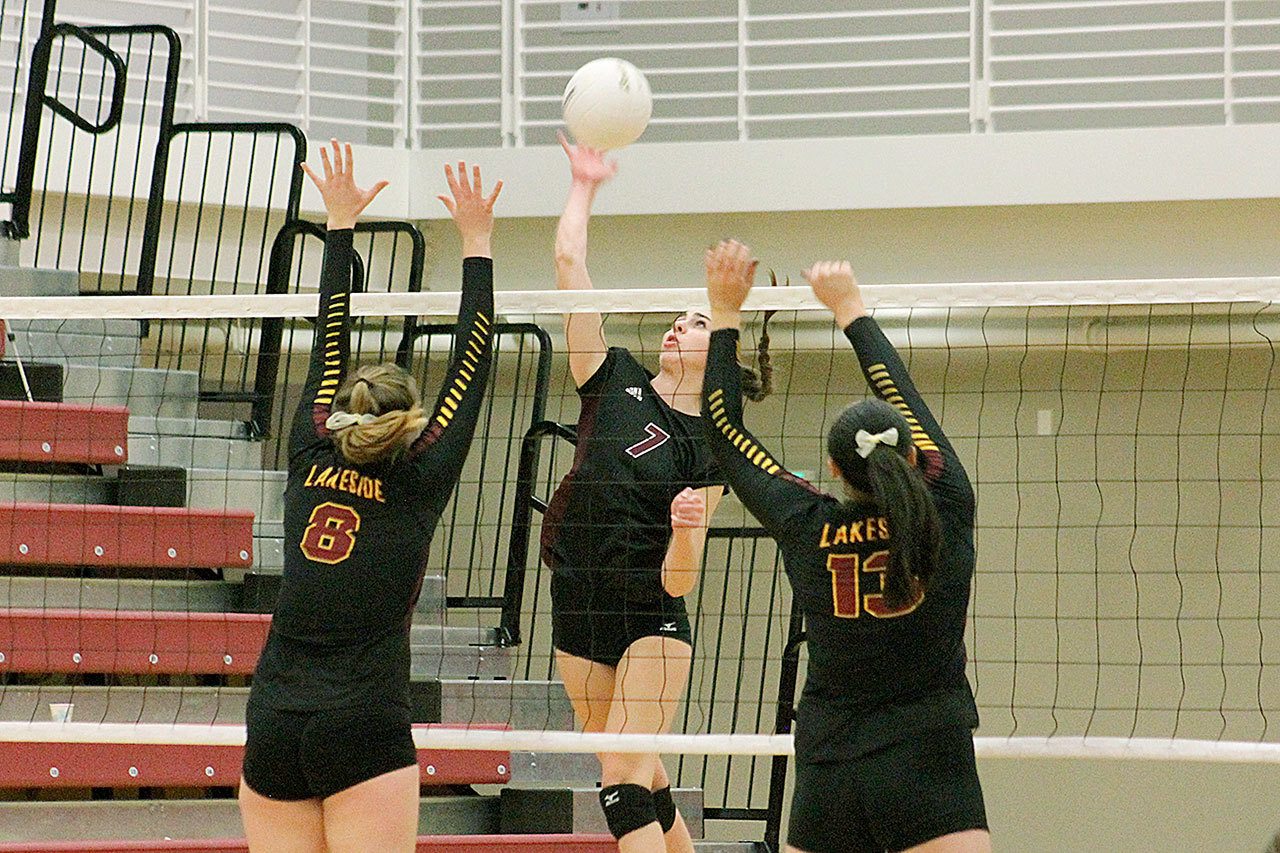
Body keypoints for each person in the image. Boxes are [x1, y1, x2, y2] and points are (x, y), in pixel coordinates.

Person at [238, 140, 502, 852]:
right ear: (410, 423)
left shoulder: (310, 446)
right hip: (364, 724)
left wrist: (340, 224)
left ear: (349, 408)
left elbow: (328, 338)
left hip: (275, 724)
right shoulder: (419, 478)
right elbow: (471, 368)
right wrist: (477, 241)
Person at [699, 241, 990, 853]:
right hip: (929, 759)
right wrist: (850, 308)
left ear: (833, 469)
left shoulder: (808, 524)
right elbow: (906, 398)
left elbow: (725, 434)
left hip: (832, 770)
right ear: (911, 455)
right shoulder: (948, 502)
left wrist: (725, 312)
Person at [540, 134, 771, 853]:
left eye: (700, 321)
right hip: (577, 591)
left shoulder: (713, 445)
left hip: (652, 610)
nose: (681, 323)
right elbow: (569, 265)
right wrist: (584, 185)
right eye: (682, 315)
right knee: (641, 776)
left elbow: (682, 578)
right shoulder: (613, 377)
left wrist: (686, 529)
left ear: (723, 351)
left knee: (622, 779)